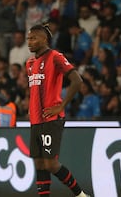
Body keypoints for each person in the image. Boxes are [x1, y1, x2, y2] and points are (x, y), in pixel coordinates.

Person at [26, 23, 90, 197]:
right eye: (28, 39)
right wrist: (30, 107)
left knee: (51, 164)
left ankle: (80, 195)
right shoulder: (30, 63)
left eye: (33, 38)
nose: (29, 42)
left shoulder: (55, 56)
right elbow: (34, 89)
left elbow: (77, 81)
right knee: (39, 164)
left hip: (51, 120)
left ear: (44, 39)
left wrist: (61, 105)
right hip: (36, 121)